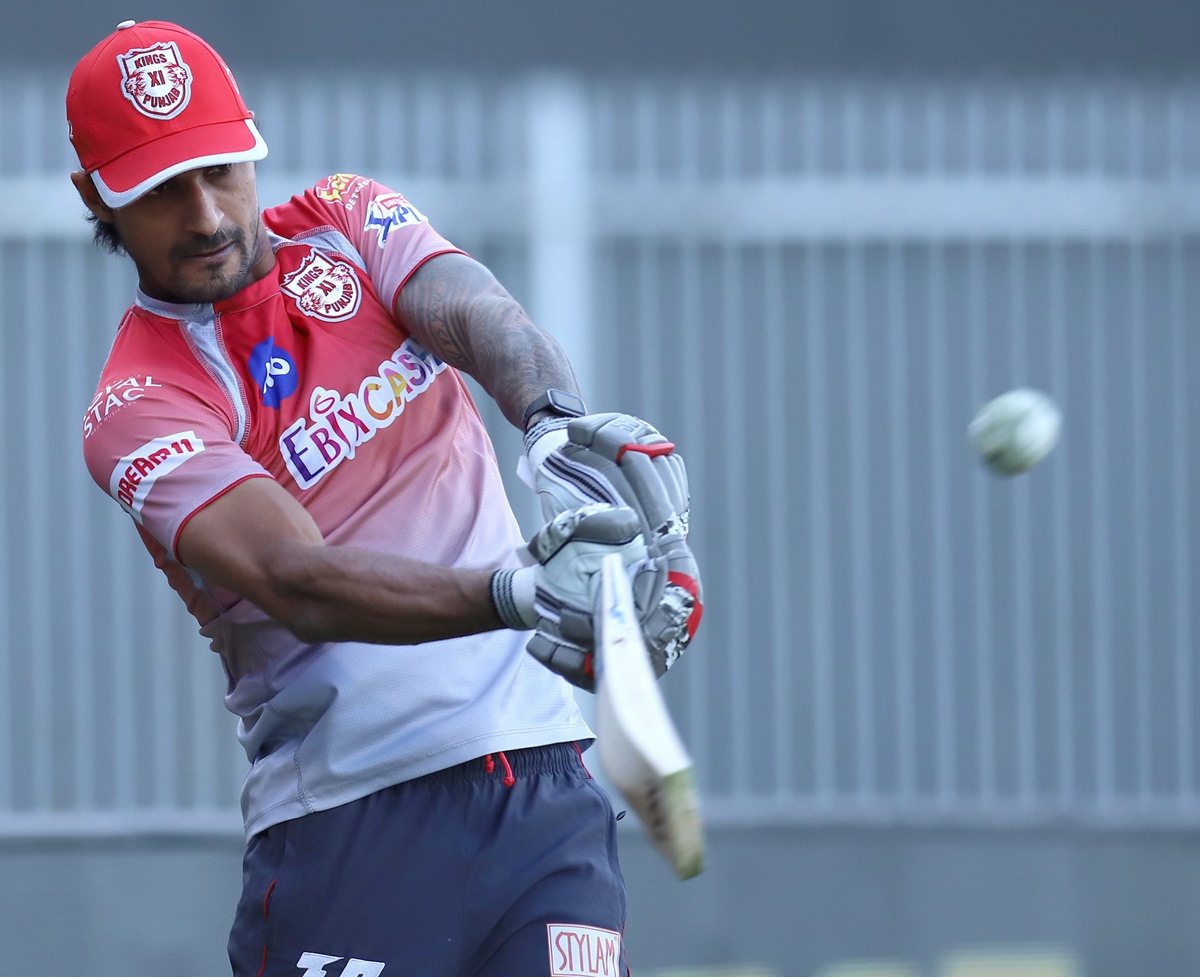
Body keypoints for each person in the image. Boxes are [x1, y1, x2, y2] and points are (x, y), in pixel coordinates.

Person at [67, 19, 703, 977]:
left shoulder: (346, 218)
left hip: (544, 798)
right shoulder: (138, 404)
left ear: (251, 142)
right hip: (350, 825)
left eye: (220, 170)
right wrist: (519, 592)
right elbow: (299, 578)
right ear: (95, 200)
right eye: (160, 191)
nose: (205, 215)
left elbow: (477, 312)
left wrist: (553, 423)